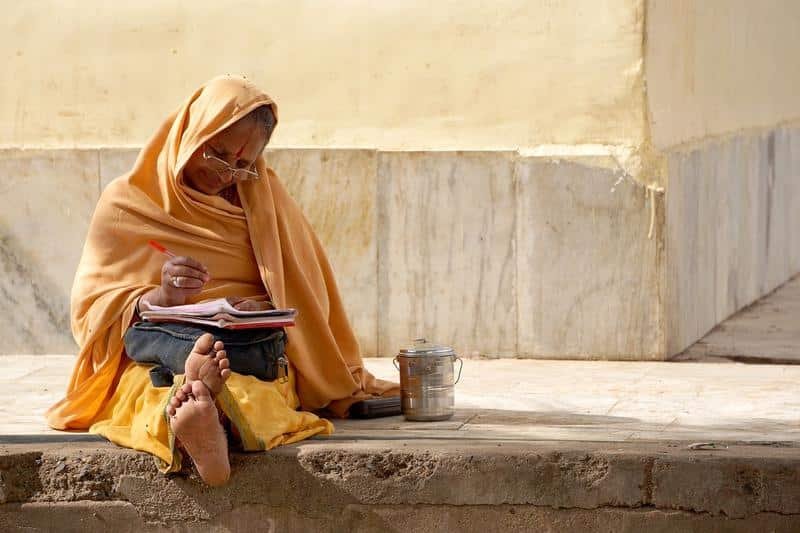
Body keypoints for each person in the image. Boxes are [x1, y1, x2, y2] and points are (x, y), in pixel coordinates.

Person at [46, 75, 399, 486]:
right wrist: (162, 295)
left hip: (241, 348)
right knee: (145, 386)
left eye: (243, 166)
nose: (226, 174)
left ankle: (203, 411)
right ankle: (202, 411)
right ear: (192, 133)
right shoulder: (128, 201)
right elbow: (90, 308)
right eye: (217, 154)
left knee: (253, 388)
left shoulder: (267, 201)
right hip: (159, 347)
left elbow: (308, 293)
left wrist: (263, 307)